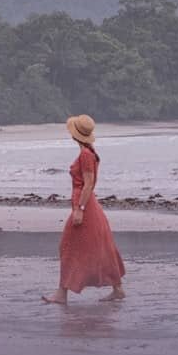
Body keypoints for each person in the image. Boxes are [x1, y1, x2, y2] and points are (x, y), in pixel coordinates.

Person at [42, 114, 126, 304]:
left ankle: (62, 293)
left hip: (85, 205)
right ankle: (117, 288)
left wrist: (80, 208)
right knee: (100, 247)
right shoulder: (89, 151)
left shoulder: (86, 155)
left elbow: (88, 184)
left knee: (68, 246)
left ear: (75, 135)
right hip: (87, 204)